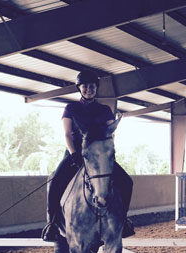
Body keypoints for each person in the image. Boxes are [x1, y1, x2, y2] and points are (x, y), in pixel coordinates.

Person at [41, 70, 135, 241]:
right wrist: (74, 154)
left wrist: (106, 151)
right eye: (85, 87)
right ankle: (52, 224)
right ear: (80, 88)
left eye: (92, 86)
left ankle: (124, 220)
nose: (89, 89)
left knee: (127, 181)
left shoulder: (105, 110)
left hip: (99, 156)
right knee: (55, 181)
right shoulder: (71, 108)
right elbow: (68, 134)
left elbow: (110, 133)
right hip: (75, 153)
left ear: (96, 88)